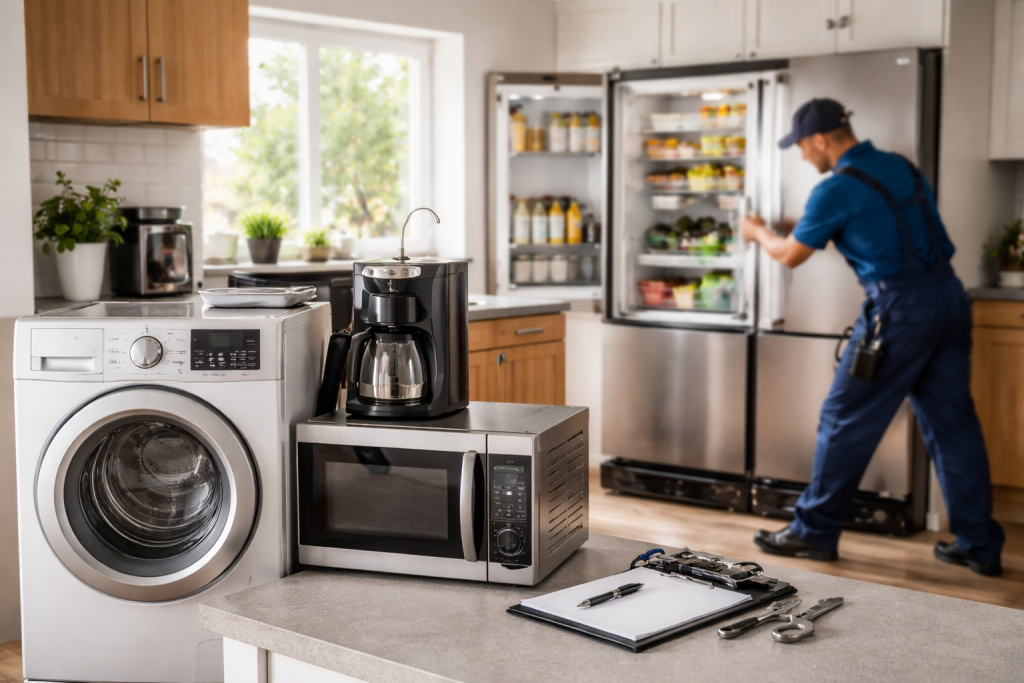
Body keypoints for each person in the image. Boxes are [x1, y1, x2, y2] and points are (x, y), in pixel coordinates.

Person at [740, 98, 1005, 576]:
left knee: (844, 417)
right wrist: (794, 228)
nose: (802, 156)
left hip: (899, 313)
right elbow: (882, 226)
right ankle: (979, 543)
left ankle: (813, 532)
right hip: (949, 300)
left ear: (820, 140)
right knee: (953, 426)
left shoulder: (834, 189)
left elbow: (789, 256)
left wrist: (756, 232)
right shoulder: (899, 166)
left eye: (801, 146)